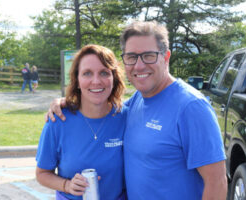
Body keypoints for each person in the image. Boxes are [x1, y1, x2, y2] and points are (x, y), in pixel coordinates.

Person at [47, 21, 227, 200]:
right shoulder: (137, 101)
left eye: (149, 55)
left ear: (166, 57)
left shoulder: (191, 107)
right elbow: (102, 107)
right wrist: (69, 102)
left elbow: (217, 182)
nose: (139, 66)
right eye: (132, 57)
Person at [36, 44, 127, 200]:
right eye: (87, 73)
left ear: (114, 78)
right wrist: (67, 185)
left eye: (104, 73)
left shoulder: (127, 117)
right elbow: (42, 173)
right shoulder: (57, 121)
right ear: (77, 81)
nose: (96, 81)